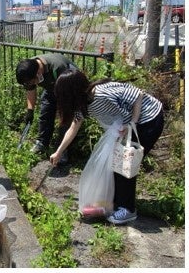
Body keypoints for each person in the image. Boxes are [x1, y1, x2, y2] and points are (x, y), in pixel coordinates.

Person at [49, 70, 164, 225]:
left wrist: (132, 124)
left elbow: (138, 94)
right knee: (116, 163)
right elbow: (73, 127)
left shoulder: (102, 94)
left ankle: (127, 210)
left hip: (148, 119)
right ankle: (115, 203)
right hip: (125, 127)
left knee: (125, 164)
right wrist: (58, 152)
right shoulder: (83, 103)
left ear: (72, 92)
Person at [15, 53, 77, 164]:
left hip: (69, 89)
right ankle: (42, 143)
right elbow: (31, 90)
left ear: (38, 73)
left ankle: (61, 150)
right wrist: (30, 111)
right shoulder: (29, 69)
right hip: (51, 88)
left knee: (64, 120)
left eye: (34, 81)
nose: (34, 84)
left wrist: (62, 111)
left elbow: (69, 94)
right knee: (45, 113)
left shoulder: (59, 67)